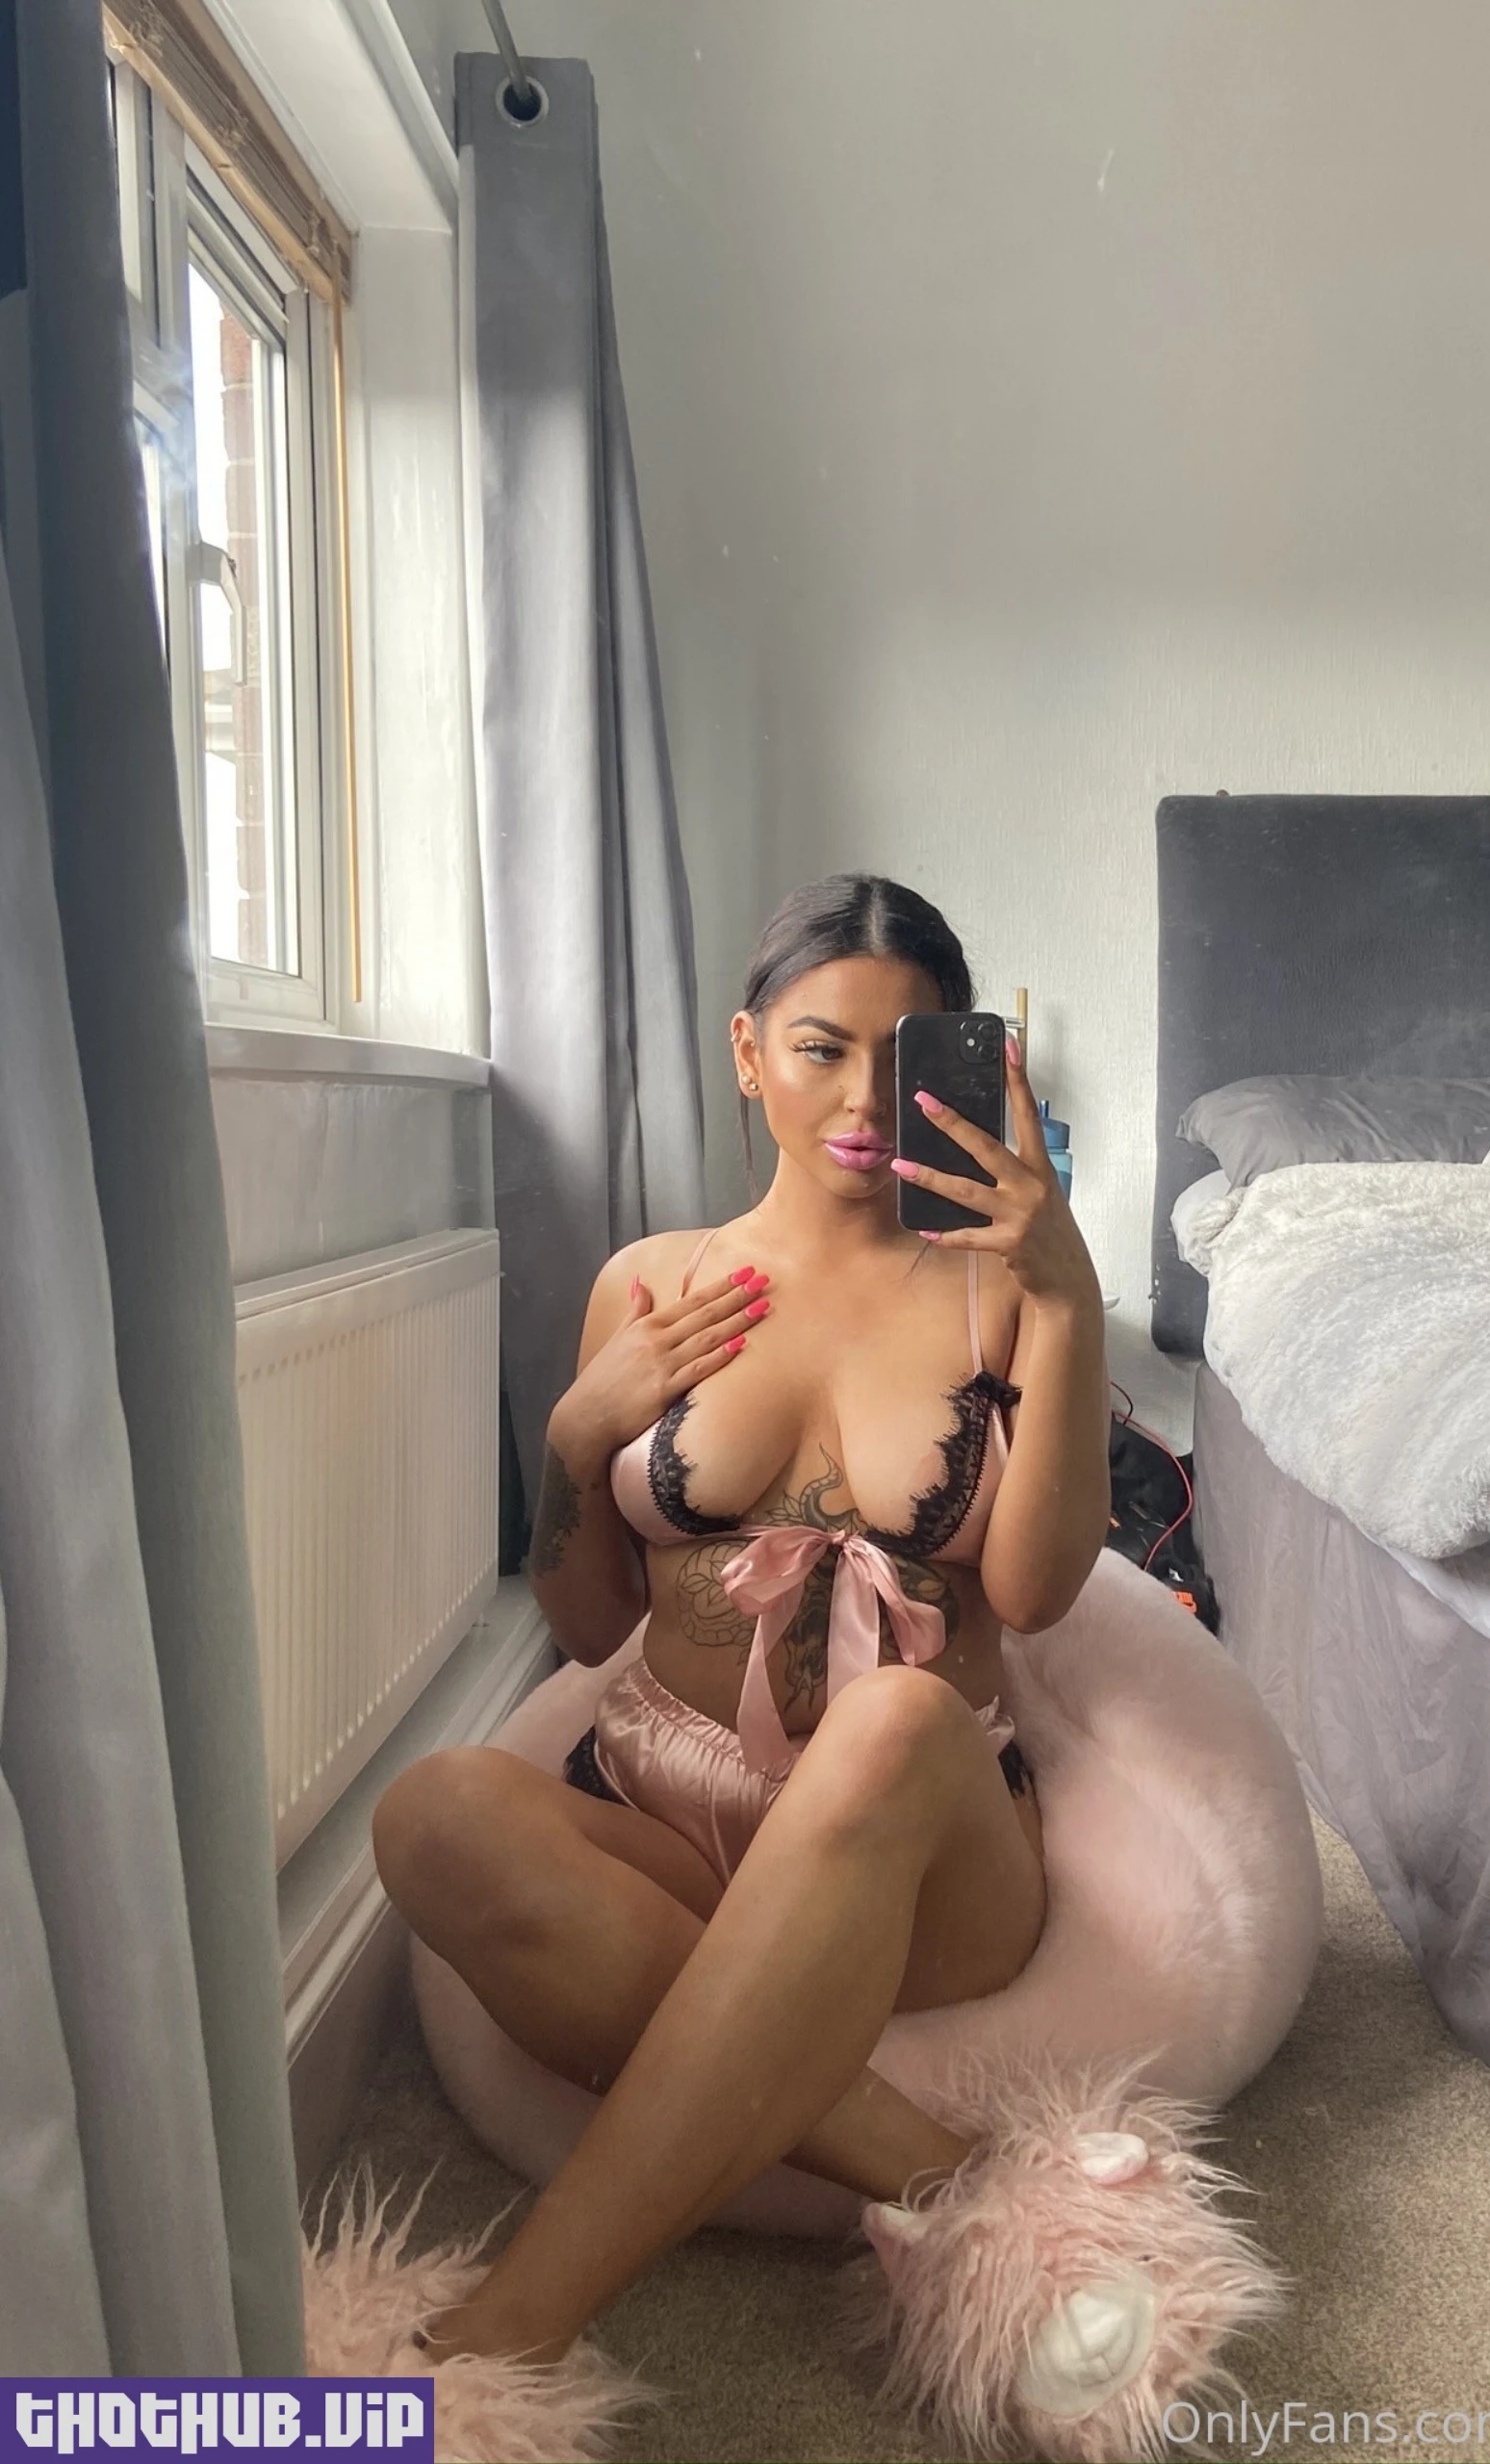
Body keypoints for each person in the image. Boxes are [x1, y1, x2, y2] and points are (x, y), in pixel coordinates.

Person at [362, 877, 1273, 2462]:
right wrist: (576, 1435)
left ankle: (506, 2326)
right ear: (746, 1053)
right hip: (666, 1802)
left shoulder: (1005, 1291)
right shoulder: (650, 1285)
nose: (859, 1100)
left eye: (902, 1054)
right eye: (818, 1047)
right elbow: (588, 1625)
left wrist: (1066, 1297)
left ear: (969, 1065)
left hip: (919, 1853)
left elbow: (1038, 1592)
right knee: (430, 1813)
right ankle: (948, 2178)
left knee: (895, 1716)